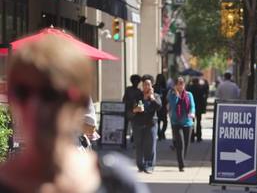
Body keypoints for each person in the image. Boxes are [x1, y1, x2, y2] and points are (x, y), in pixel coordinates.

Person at [0, 35, 148, 193]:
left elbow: (90, 128)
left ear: (81, 102)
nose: (35, 106)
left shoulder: (115, 181)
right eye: (22, 93)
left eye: (50, 93)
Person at [130, 75, 162, 173]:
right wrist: (135, 110)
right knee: (139, 145)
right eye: (144, 84)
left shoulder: (155, 96)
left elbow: (159, 106)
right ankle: (140, 165)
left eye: (148, 84)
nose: (146, 86)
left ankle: (149, 166)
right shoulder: (138, 96)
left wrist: (152, 98)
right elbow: (132, 107)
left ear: (152, 86)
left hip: (151, 123)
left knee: (150, 145)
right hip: (138, 123)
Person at [168, 77, 195, 172]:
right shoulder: (171, 94)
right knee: (180, 144)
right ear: (175, 85)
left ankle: (182, 159)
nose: (181, 85)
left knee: (186, 144)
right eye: (179, 83)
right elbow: (173, 104)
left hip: (188, 123)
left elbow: (192, 106)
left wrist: (192, 113)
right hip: (176, 122)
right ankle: (181, 164)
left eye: (182, 83)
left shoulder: (189, 94)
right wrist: (176, 94)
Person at [187, 78, 208, 142]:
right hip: (199, 108)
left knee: (191, 122)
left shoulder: (189, 88)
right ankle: (199, 136)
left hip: (191, 108)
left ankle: (191, 136)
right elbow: (202, 99)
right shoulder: (200, 88)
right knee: (199, 122)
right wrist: (204, 108)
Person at [123, 74, 142, 142]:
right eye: (135, 81)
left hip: (135, 110)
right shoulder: (128, 89)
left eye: (137, 81)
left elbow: (140, 101)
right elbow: (124, 99)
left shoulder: (139, 91)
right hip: (128, 109)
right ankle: (123, 140)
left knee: (135, 125)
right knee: (125, 126)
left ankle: (133, 138)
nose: (136, 83)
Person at [154, 74, 168, 141]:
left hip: (164, 106)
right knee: (158, 121)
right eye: (159, 79)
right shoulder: (154, 87)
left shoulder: (165, 88)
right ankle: (159, 134)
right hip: (157, 105)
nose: (160, 80)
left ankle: (162, 133)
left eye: (161, 79)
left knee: (165, 122)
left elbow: (167, 97)